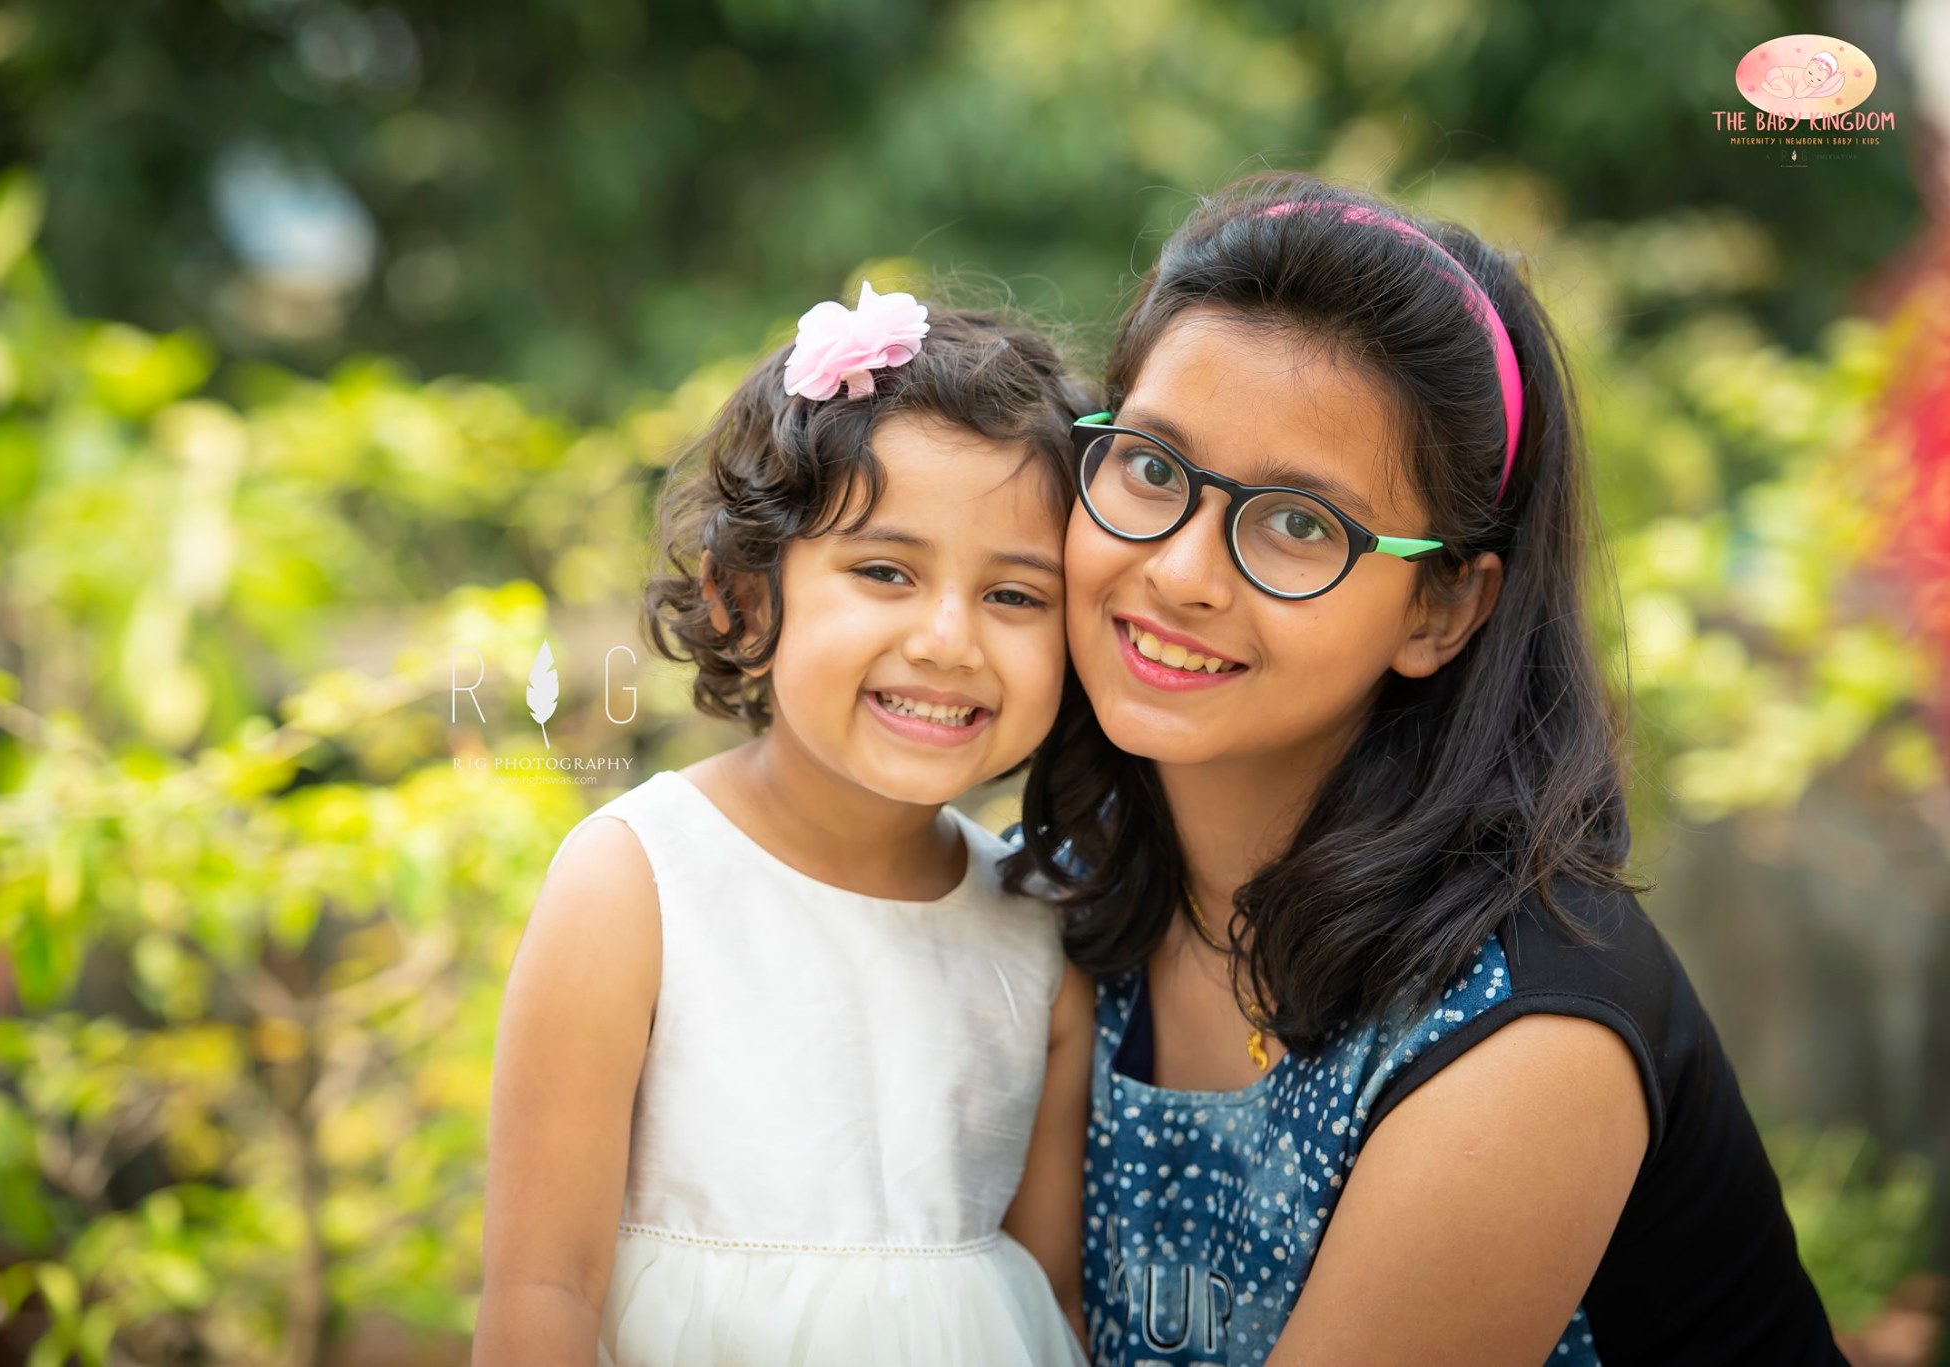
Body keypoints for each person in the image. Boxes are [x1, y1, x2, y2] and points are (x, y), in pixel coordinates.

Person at [1002, 173, 1849, 1366]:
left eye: (1298, 522)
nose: (1183, 569)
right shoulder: (1074, 888)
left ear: (1441, 606)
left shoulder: (1521, 1026)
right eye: (1149, 467)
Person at [475, 280, 1098, 1366]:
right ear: (742, 600)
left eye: (1014, 595)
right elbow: (538, 1295)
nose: (949, 638)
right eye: (883, 571)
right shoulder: (637, 882)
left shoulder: (1041, 928)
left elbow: (1053, 1291)